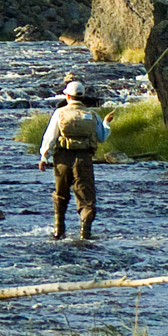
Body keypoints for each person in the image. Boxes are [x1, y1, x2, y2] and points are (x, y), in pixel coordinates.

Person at [39, 80, 115, 239]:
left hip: (62, 160)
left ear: (67, 96)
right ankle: (85, 233)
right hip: (84, 159)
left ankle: (58, 230)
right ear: (83, 97)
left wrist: (44, 157)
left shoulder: (59, 113)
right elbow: (102, 137)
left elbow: (50, 137)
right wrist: (106, 123)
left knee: (61, 195)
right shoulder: (92, 114)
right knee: (86, 198)